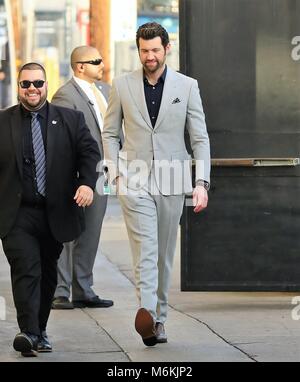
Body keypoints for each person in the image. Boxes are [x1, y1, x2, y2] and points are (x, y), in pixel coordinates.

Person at [102, 22, 211, 346]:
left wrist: (201, 182)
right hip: (133, 181)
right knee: (145, 250)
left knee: (163, 253)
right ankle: (146, 314)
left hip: (173, 180)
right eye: (144, 50)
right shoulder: (121, 85)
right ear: (138, 50)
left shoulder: (187, 86)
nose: (149, 56)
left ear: (166, 49)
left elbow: (199, 138)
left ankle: (159, 319)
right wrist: (115, 175)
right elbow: (109, 133)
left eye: (154, 50)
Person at [0, 62, 100, 357]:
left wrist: (86, 184)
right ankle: (28, 332)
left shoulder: (70, 119)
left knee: (47, 275)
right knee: (25, 270)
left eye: (38, 83)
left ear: (47, 85)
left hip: (55, 211)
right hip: (16, 214)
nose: (32, 89)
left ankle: (39, 330)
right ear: (19, 87)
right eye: (26, 84)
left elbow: (90, 154)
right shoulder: (3, 122)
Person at [51, 46, 113, 310]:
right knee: (67, 235)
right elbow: (62, 141)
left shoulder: (105, 91)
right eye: (96, 61)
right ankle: (60, 291)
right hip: (75, 176)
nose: (102, 64)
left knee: (91, 233)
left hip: (103, 173)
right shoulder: (65, 95)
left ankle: (84, 290)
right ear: (80, 67)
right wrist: (76, 179)